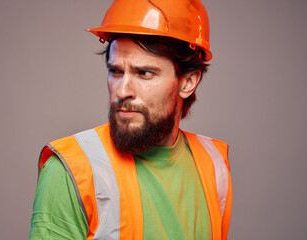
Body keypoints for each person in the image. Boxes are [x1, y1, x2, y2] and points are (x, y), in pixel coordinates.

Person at [29, 0, 232, 239]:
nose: (122, 90)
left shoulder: (214, 164)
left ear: (188, 82)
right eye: (116, 71)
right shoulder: (72, 170)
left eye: (144, 73)